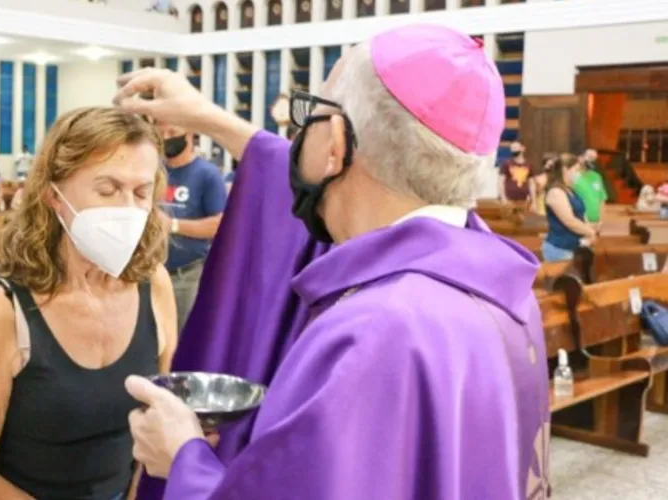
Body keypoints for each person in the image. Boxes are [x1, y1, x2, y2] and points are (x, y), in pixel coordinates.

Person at [115, 24, 550, 500]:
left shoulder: (372, 331)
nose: (298, 138)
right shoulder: (505, 295)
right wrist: (207, 118)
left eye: (310, 115)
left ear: (336, 143)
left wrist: (183, 459)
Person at [0, 107, 178, 500]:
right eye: (107, 190)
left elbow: (153, 433)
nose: (127, 209)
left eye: (141, 193)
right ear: (53, 195)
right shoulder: (1, 307)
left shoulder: (154, 285)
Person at [157, 122, 227, 329]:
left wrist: (173, 225)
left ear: (189, 134)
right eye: (161, 132)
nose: (166, 137)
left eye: (172, 132)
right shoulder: (155, 171)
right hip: (152, 271)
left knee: (183, 336)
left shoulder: (207, 174)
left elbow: (219, 225)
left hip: (186, 276)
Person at [543, 154, 596, 262]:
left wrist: (589, 231)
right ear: (565, 170)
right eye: (576, 170)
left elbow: (582, 214)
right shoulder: (556, 192)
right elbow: (569, 221)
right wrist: (590, 232)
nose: (579, 174)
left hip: (576, 247)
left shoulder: (571, 190)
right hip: (560, 249)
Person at [572, 148, 608, 228]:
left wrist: (600, 221)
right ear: (580, 158)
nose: (592, 161)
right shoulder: (572, 177)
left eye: (595, 159)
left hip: (596, 223)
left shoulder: (597, 176)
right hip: (579, 223)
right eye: (590, 157)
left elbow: (602, 200)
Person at [498, 141, 534, 208]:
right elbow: (500, 182)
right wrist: (503, 198)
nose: (513, 149)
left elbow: (531, 184)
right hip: (509, 199)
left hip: (523, 200)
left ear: (522, 148)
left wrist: (533, 201)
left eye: (515, 147)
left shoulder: (529, 165)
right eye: (512, 148)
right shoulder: (506, 163)